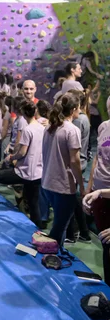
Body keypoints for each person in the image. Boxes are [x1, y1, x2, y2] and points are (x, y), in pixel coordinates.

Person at [0, 101, 44, 222]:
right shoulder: (42, 128)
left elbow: (22, 152)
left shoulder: (28, 130)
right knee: (33, 203)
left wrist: (11, 157)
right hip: (38, 172)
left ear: (23, 113)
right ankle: (38, 228)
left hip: (25, 171)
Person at [40, 94, 85, 247]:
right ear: (73, 110)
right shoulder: (71, 130)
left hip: (47, 183)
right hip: (63, 186)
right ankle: (49, 253)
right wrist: (82, 185)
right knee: (59, 227)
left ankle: (57, 252)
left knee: (60, 224)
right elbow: (74, 161)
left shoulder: (49, 127)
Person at [83, 95, 110, 284]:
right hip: (100, 192)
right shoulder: (103, 127)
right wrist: (91, 187)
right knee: (105, 245)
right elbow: (98, 159)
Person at [66, 90, 91, 243]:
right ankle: (82, 232)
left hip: (76, 163)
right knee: (73, 199)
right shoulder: (84, 118)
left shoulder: (77, 120)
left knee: (71, 199)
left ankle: (72, 233)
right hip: (80, 161)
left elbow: (73, 145)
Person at [89, 81, 102, 148]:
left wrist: (99, 79)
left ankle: (101, 144)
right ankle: (89, 148)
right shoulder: (86, 94)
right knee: (90, 133)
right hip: (91, 116)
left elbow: (96, 87)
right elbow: (94, 102)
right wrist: (98, 96)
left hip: (96, 115)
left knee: (99, 131)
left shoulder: (90, 92)